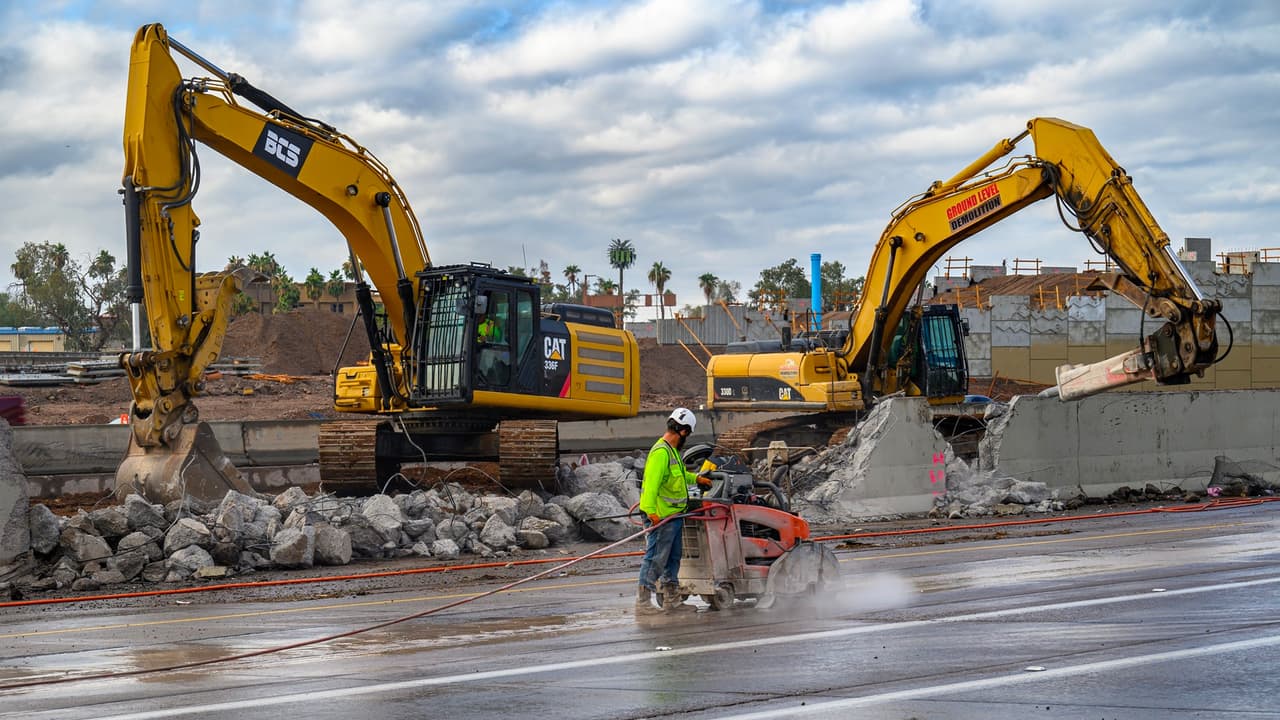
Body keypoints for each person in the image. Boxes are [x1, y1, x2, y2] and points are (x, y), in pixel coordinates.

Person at [635, 407, 712, 616]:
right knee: (656, 558)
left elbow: (677, 475)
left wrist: (696, 478)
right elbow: (650, 485)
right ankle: (643, 601)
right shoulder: (661, 453)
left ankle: (672, 599)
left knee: (673, 557)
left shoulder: (672, 452)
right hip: (661, 516)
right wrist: (651, 512)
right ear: (685, 431)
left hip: (674, 515)